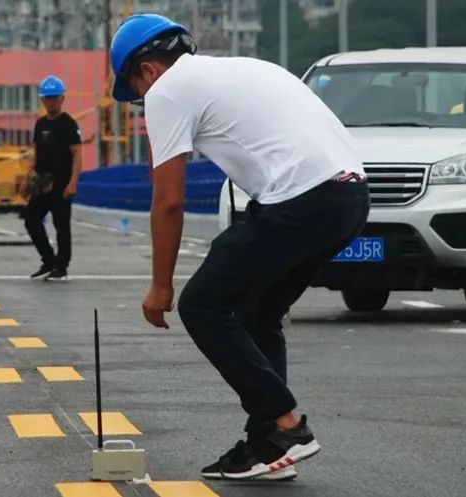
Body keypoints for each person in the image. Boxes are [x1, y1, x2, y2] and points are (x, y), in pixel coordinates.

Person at [110, 14, 370, 481]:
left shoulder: (167, 90)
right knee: (258, 311)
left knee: (202, 306)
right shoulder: (246, 67)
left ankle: (287, 426)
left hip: (300, 199)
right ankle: (267, 446)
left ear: (147, 69)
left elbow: (168, 201)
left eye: (137, 93)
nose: (143, 103)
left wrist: (160, 285)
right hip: (349, 197)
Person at [23, 75, 82, 281]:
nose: (51, 102)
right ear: (42, 99)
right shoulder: (40, 124)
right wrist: (29, 174)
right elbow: (36, 152)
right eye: (47, 98)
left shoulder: (68, 124)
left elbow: (77, 155)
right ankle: (48, 260)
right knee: (31, 221)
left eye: (55, 97)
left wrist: (73, 183)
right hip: (42, 183)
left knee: (61, 226)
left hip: (62, 184)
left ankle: (61, 267)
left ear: (62, 98)